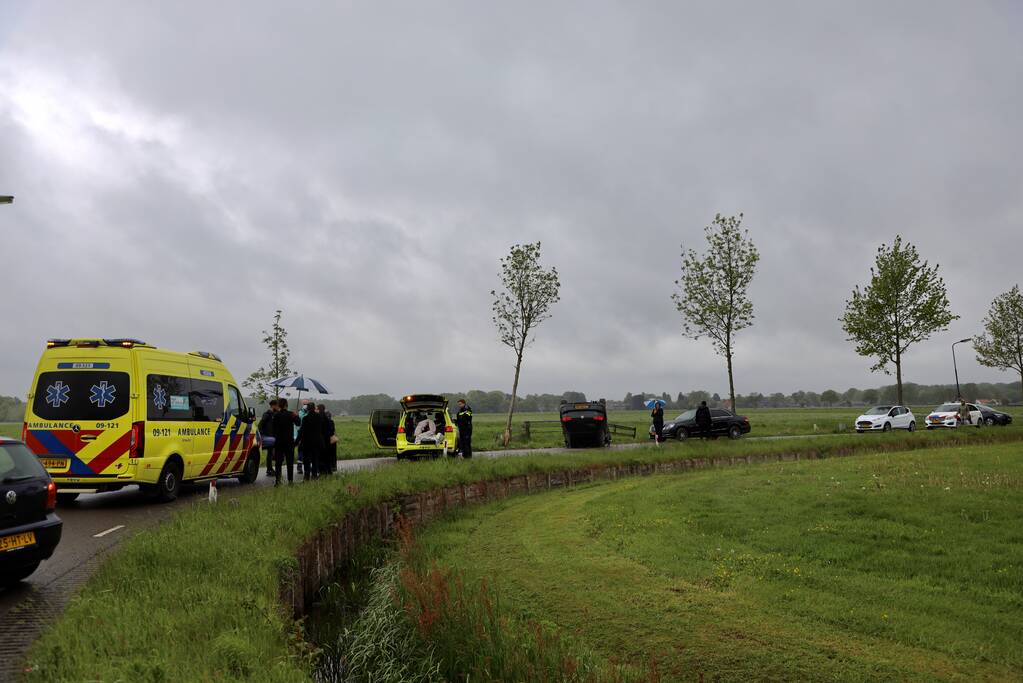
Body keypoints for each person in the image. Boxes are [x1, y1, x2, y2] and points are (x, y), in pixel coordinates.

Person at [271, 398, 300, 485]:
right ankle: (290, 481)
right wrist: (296, 415)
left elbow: (273, 429)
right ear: (286, 405)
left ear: (279, 405)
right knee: (289, 462)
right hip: (289, 442)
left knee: (278, 463)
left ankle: (278, 481)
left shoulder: (276, 415)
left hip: (279, 442)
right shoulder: (291, 414)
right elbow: (298, 423)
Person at [297, 402, 324, 480]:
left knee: (306, 460)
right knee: (315, 459)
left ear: (307, 409)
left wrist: (296, 441)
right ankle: (314, 475)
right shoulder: (319, 417)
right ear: (314, 408)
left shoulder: (305, 418)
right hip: (316, 442)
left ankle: (306, 475)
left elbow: (302, 431)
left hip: (307, 442)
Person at [258, 399, 279, 477]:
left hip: (273, 436)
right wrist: (261, 435)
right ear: (273, 406)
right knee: (270, 453)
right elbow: (261, 424)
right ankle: (269, 469)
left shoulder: (275, 414)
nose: (278, 407)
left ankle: (270, 469)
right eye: (277, 406)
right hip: (267, 436)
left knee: (271, 453)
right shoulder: (267, 414)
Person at [318, 404, 336, 474]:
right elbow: (332, 431)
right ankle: (329, 471)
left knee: (321, 457)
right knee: (327, 457)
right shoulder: (330, 421)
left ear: (319, 409)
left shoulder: (318, 419)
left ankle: (322, 471)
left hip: (320, 440)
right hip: (327, 441)